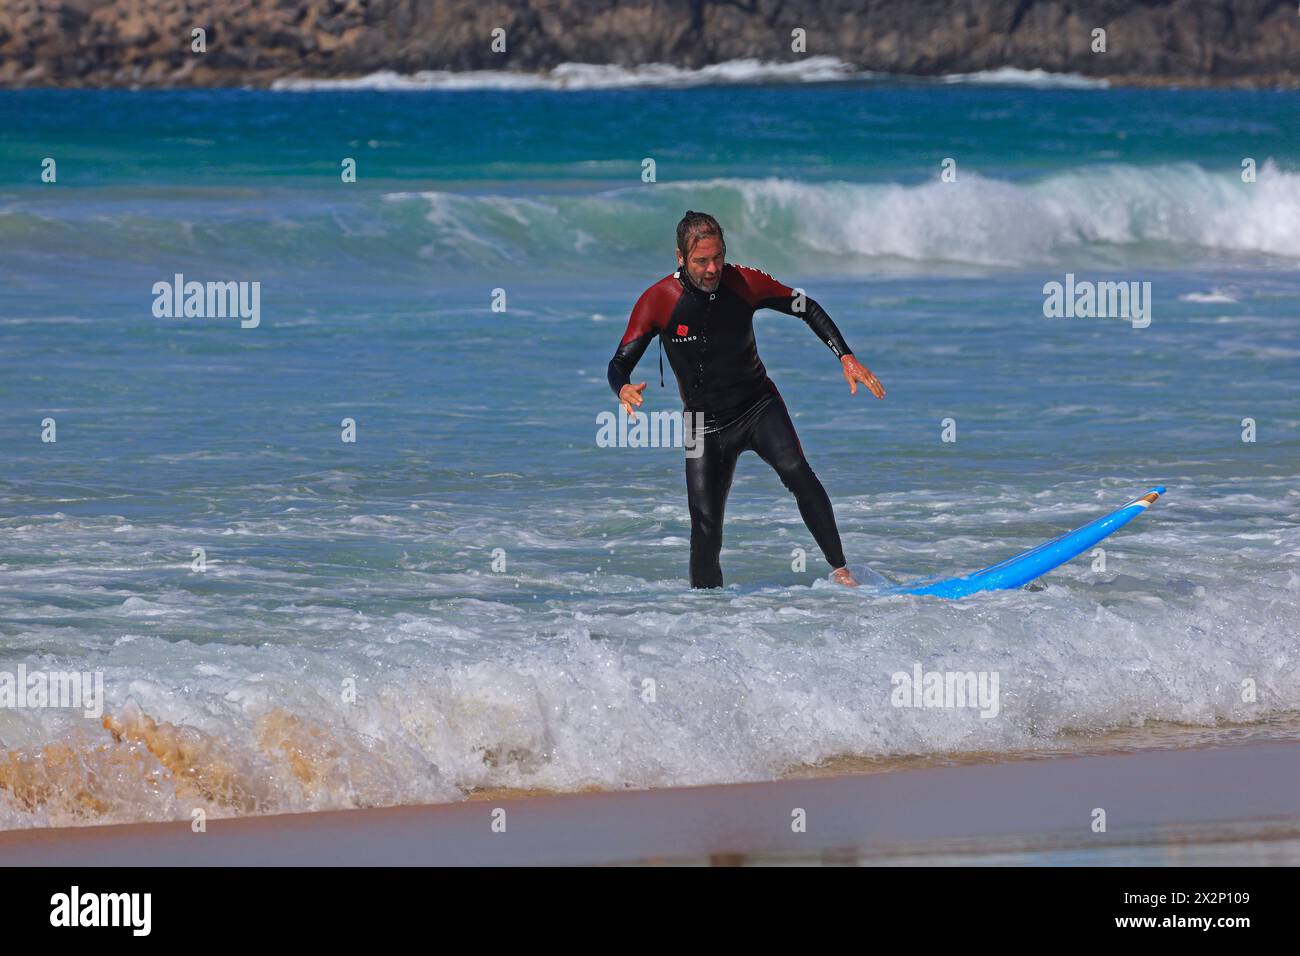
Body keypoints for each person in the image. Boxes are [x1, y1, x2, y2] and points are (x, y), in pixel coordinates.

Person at [607, 210, 886, 588]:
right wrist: (622, 388)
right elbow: (619, 363)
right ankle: (707, 614)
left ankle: (841, 570)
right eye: (701, 261)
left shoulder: (744, 282)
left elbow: (806, 307)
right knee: (705, 527)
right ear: (680, 258)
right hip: (703, 425)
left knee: (797, 473)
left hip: (757, 406)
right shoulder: (659, 300)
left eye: (718, 257)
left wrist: (845, 355)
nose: (712, 269)